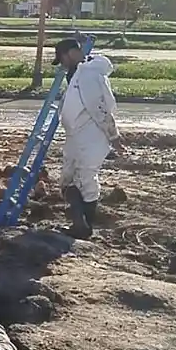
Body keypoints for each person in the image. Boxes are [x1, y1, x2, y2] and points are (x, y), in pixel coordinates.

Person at [54, 38, 120, 239]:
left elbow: (99, 109)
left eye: (63, 58)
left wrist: (113, 135)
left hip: (90, 137)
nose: (63, 64)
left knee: (85, 180)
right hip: (78, 136)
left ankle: (84, 226)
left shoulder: (89, 75)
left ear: (72, 53)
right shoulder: (79, 73)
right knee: (68, 179)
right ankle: (79, 223)